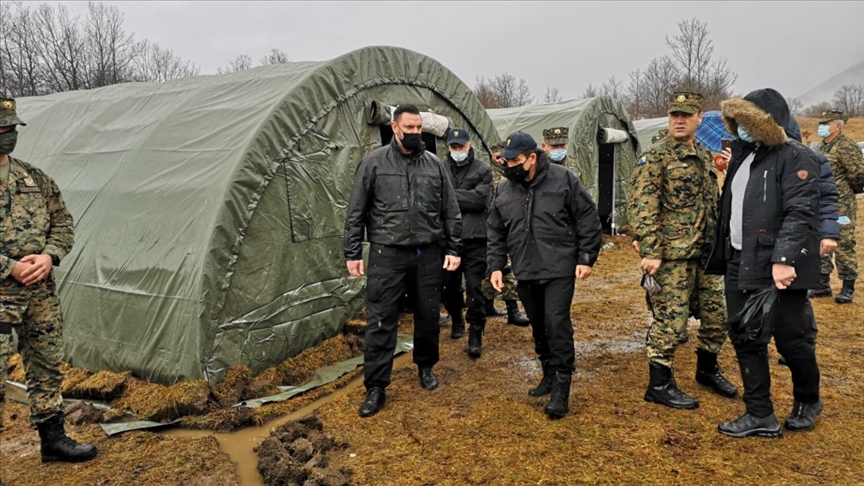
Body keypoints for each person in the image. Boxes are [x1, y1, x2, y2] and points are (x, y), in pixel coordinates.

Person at [707, 88, 822, 438]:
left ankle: (808, 399)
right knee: (745, 336)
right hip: (741, 260)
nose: (740, 127)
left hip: (778, 267)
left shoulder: (795, 156)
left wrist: (784, 259)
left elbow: (800, 212)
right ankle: (759, 414)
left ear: (766, 123)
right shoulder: (744, 156)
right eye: (737, 121)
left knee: (791, 340)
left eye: (748, 121)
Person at [344, 104, 462, 417]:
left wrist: (454, 248)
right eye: (408, 128)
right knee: (381, 319)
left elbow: (450, 210)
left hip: (427, 253)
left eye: (418, 128)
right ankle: (376, 386)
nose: (414, 133)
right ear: (394, 128)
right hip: (387, 254)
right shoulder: (373, 163)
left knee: (427, 315)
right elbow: (356, 211)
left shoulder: (434, 165)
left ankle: (425, 366)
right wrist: (352, 252)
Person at [0, 98, 97, 462]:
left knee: (46, 365)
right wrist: (8, 267)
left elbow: (62, 224)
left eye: (11, 129)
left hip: (38, 295)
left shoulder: (34, 178)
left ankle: (53, 440)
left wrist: (48, 256)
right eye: (1, 129)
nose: (7, 135)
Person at [627, 92, 737, 411]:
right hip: (670, 257)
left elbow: (711, 202)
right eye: (674, 114)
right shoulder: (656, 156)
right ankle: (659, 384)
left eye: (686, 115)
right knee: (671, 323)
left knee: (719, 315)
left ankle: (707, 369)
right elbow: (641, 205)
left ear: (698, 119)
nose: (679, 120)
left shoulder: (704, 154)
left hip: (706, 253)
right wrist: (649, 249)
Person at [487, 131, 602, 418]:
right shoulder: (504, 189)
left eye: (516, 160)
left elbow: (587, 218)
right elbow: (496, 231)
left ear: (533, 158)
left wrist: (586, 256)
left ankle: (562, 385)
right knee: (538, 325)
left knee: (556, 322)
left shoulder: (563, 180)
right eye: (507, 160)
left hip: (559, 267)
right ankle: (548, 374)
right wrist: (496, 266)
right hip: (525, 268)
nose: (510, 165)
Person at [440, 128, 493, 357]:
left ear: (469, 145)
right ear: (448, 147)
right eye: (454, 147)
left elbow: (481, 200)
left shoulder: (483, 169)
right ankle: (457, 319)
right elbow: (434, 197)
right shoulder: (440, 168)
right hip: (447, 238)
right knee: (449, 286)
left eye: (461, 146)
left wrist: (450, 196)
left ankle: (475, 330)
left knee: (474, 287)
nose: (458, 151)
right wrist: (465, 196)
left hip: (475, 238)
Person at [811, 110, 864, 303]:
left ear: (837, 126)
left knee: (843, 243)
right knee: (821, 240)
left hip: (842, 204)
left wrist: (847, 193)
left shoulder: (847, 146)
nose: (821, 127)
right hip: (822, 201)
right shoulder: (820, 148)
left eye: (825, 123)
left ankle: (847, 286)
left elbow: (858, 175)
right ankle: (822, 284)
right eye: (820, 123)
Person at [480, 141, 530, 327]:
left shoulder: (512, 174)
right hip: (488, 227)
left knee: (506, 269)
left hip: (508, 227)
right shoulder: (485, 171)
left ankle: (512, 310)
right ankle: (487, 305)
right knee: (491, 269)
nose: (502, 159)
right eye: (498, 155)